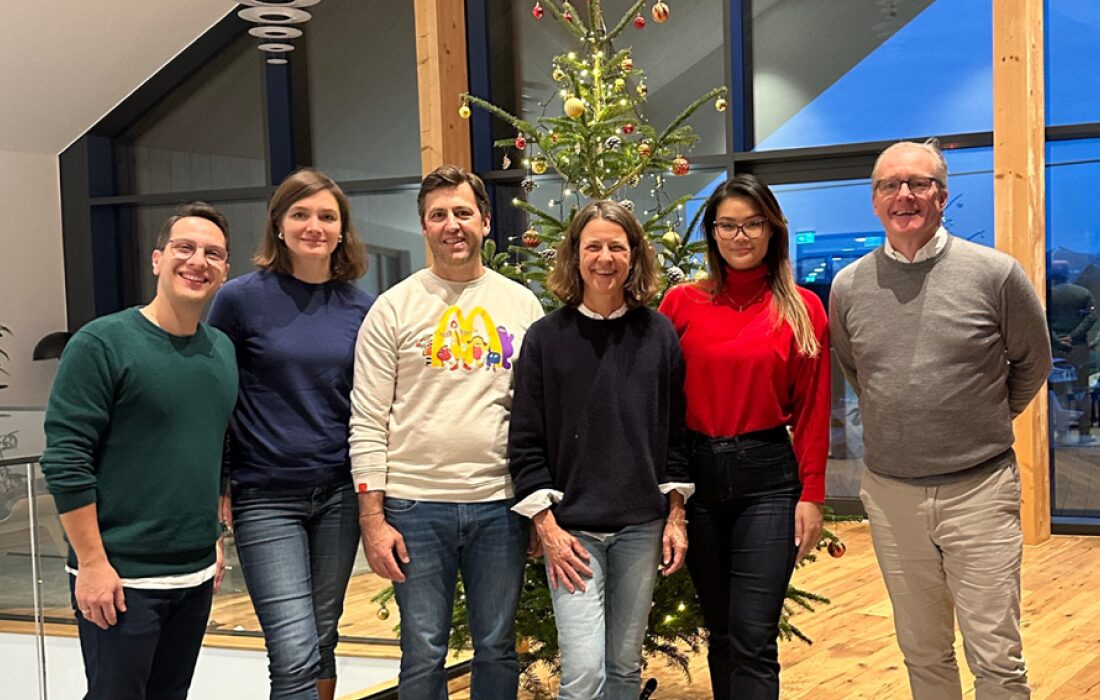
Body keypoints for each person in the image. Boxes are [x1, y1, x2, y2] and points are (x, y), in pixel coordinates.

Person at [830, 140, 1051, 699]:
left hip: (979, 491)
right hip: (890, 494)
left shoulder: (996, 275)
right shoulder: (849, 287)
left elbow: (1034, 361)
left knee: (996, 656)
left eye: (919, 183)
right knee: (923, 653)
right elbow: (860, 372)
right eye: (890, 185)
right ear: (874, 201)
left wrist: (983, 417)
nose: (904, 195)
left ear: (943, 196)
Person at [350, 165, 544, 698]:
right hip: (415, 507)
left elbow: (537, 417)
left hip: (499, 506)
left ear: (485, 221)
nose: (451, 225)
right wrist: (372, 518)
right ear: (424, 226)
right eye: (439, 215)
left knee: (498, 647)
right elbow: (367, 418)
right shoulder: (392, 309)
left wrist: (537, 510)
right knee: (423, 652)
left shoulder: (522, 305)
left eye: (463, 213)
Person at [41, 202, 237, 700]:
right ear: (157, 259)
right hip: (120, 577)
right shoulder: (102, 343)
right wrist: (91, 562)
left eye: (212, 253)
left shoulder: (221, 351)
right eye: (185, 248)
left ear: (225, 272)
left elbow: (214, 446)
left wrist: (213, 534)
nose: (198, 261)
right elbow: (66, 460)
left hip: (193, 575)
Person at [508, 200, 692, 699]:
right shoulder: (545, 339)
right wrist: (544, 525)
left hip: (641, 527)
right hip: (571, 533)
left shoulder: (658, 333)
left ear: (634, 255)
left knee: (625, 668)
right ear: (575, 255)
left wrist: (676, 515)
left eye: (617, 245)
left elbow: (677, 433)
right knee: (584, 673)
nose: (605, 257)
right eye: (593, 246)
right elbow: (524, 441)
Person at [659, 174, 830, 699]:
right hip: (698, 479)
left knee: (755, 636)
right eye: (727, 225)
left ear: (772, 230)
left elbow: (813, 411)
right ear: (712, 233)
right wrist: (669, 496)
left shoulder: (803, 309)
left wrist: (813, 495)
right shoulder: (681, 304)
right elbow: (661, 406)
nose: (740, 236)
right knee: (723, 634)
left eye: (752, 224)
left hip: (768, 480)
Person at [206, 169, 374, 700]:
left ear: (343, 229)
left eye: (327, 216)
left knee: (323, 636)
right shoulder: (238, 300)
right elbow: (215, 396)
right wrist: (218, 489)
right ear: (278, 224)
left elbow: (370, 407)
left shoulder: (362, 308)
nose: (314, 226)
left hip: (340, 494)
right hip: (266, 497)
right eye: (300, 214)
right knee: (294, 646)